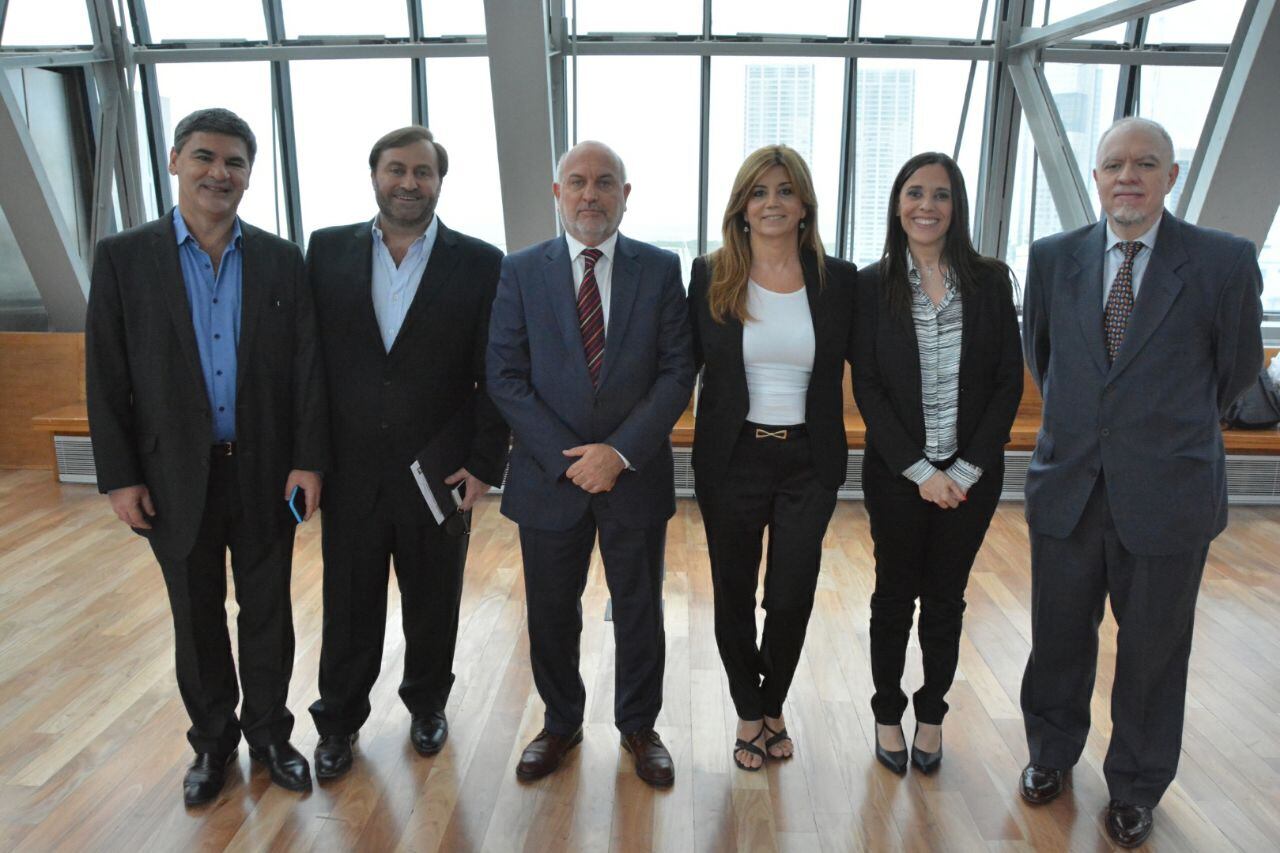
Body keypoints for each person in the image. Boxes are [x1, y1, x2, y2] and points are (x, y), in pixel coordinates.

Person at [1018, 117, 1263, 848]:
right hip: (1070, 486)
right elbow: (1046, 358)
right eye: (1114, 164)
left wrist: (1159, 427)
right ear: (1095, 176)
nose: (1129, 176)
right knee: (1058, 636)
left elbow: (1238, 368)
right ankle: (1050, 755)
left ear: (1171, 176)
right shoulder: (1053, 257)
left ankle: (1135, 785)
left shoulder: (1221, 260)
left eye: (1146, 163)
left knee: (1155, 650)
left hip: (1170, 492)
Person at [85, 108, 329, 806]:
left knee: (267, 614)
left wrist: (309, 461)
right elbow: (105, 376)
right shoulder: (124, 258)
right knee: (195, 618)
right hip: (169, 477)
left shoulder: (282, 258)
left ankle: (271, 737)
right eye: (204, 157)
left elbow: (307, 369)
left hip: (265, 471)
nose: (218, 173)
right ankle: (213, 743)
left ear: (250, 175)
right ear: (174, 162)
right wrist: (120, 476)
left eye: (234, 162)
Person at [487, 140, 694, 787]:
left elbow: (676, 370)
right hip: (550, 477)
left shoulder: (660, 269)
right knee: (552, 609)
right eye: (576, 182)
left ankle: (639, 725)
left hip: (632, 474)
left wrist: (618, 452)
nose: (590, 194)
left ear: (625, 195)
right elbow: (505, 374)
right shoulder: (521, 270)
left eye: (605, 183)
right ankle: (560, 721)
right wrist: (572, 458)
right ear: (557, 194)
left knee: (639, 608)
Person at [305, 126, 508, 779]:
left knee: (434, 599)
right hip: (351, 471)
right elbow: (307, 368)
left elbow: (492, 372)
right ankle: (337, 721)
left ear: (438, 183)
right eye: (397, 169)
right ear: (375, 176)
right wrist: (308, 457)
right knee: (349, 605)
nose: (409, 182)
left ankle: (427, 705)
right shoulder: (326, 251)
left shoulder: (479, 262)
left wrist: (482, 462)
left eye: (423, 172)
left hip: (438, 469)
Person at [852, 152, 1022, 776]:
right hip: (899, 477)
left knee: (946, 600)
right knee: (893, 596)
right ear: (898, 204)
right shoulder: (870, 285)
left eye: (941, 195)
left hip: (971, 479)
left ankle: (931, 714)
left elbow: (1007, 381)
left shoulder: (990, 279)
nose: (927, 205)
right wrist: (922, 472)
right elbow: (867, 385)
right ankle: (887, 712)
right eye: (915, 193)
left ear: (958, 207)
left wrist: (965, 470)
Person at [688, 145, 857, 770]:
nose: (772, 204)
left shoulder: (838, 280)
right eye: (759, 192)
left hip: (809, 461)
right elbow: (684, 366)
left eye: (785, 191)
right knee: (732, 591)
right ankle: (749, 711)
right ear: (741, 206)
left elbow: (871, 369)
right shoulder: (711, 275)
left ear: (804, 203)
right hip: (732, 459)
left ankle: (774, 697)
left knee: (790, 594)